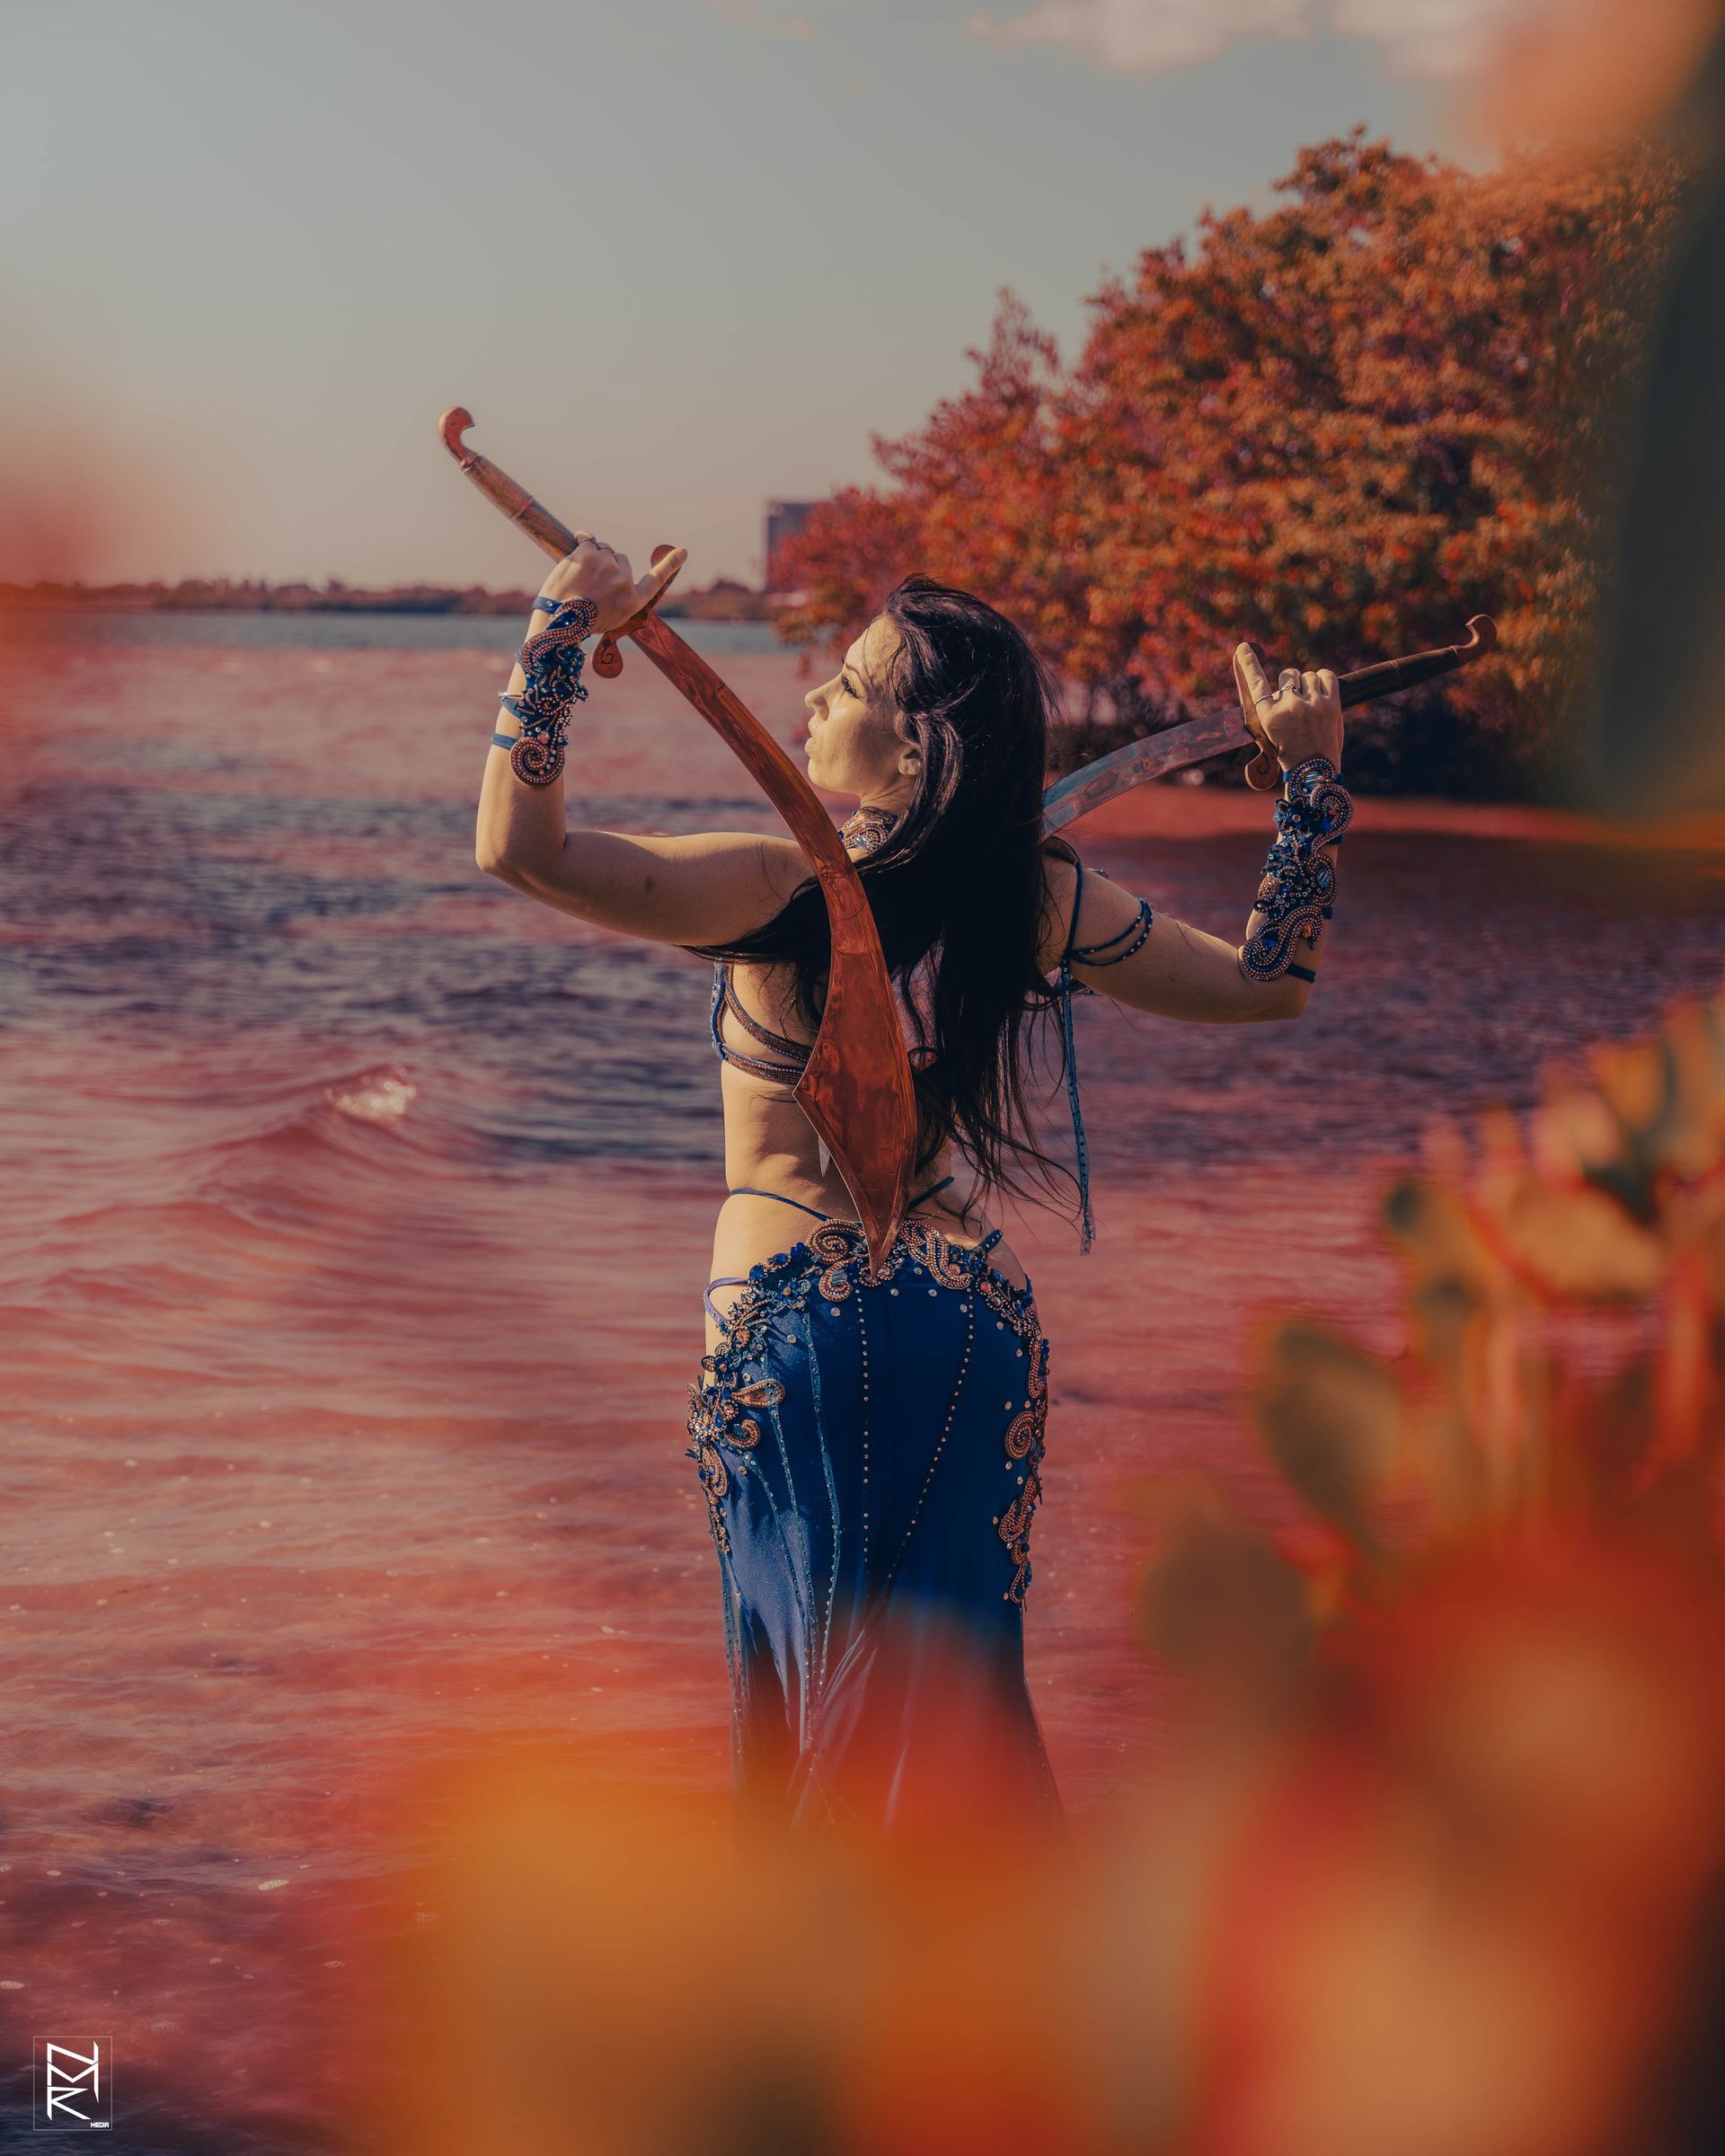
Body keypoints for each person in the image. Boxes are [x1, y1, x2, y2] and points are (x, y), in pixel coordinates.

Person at [474, 538, 1349, 1842]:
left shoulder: (775, 887)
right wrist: (1312, 779)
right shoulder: (1039, 901)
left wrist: (556, 632)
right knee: (960, 1721)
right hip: (973, 1324)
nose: (815, 698)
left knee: (819, 1723)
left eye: (848, 687)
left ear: (915, 747)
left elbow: (519, 850)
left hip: (807, 1323)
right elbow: (1267, 986)